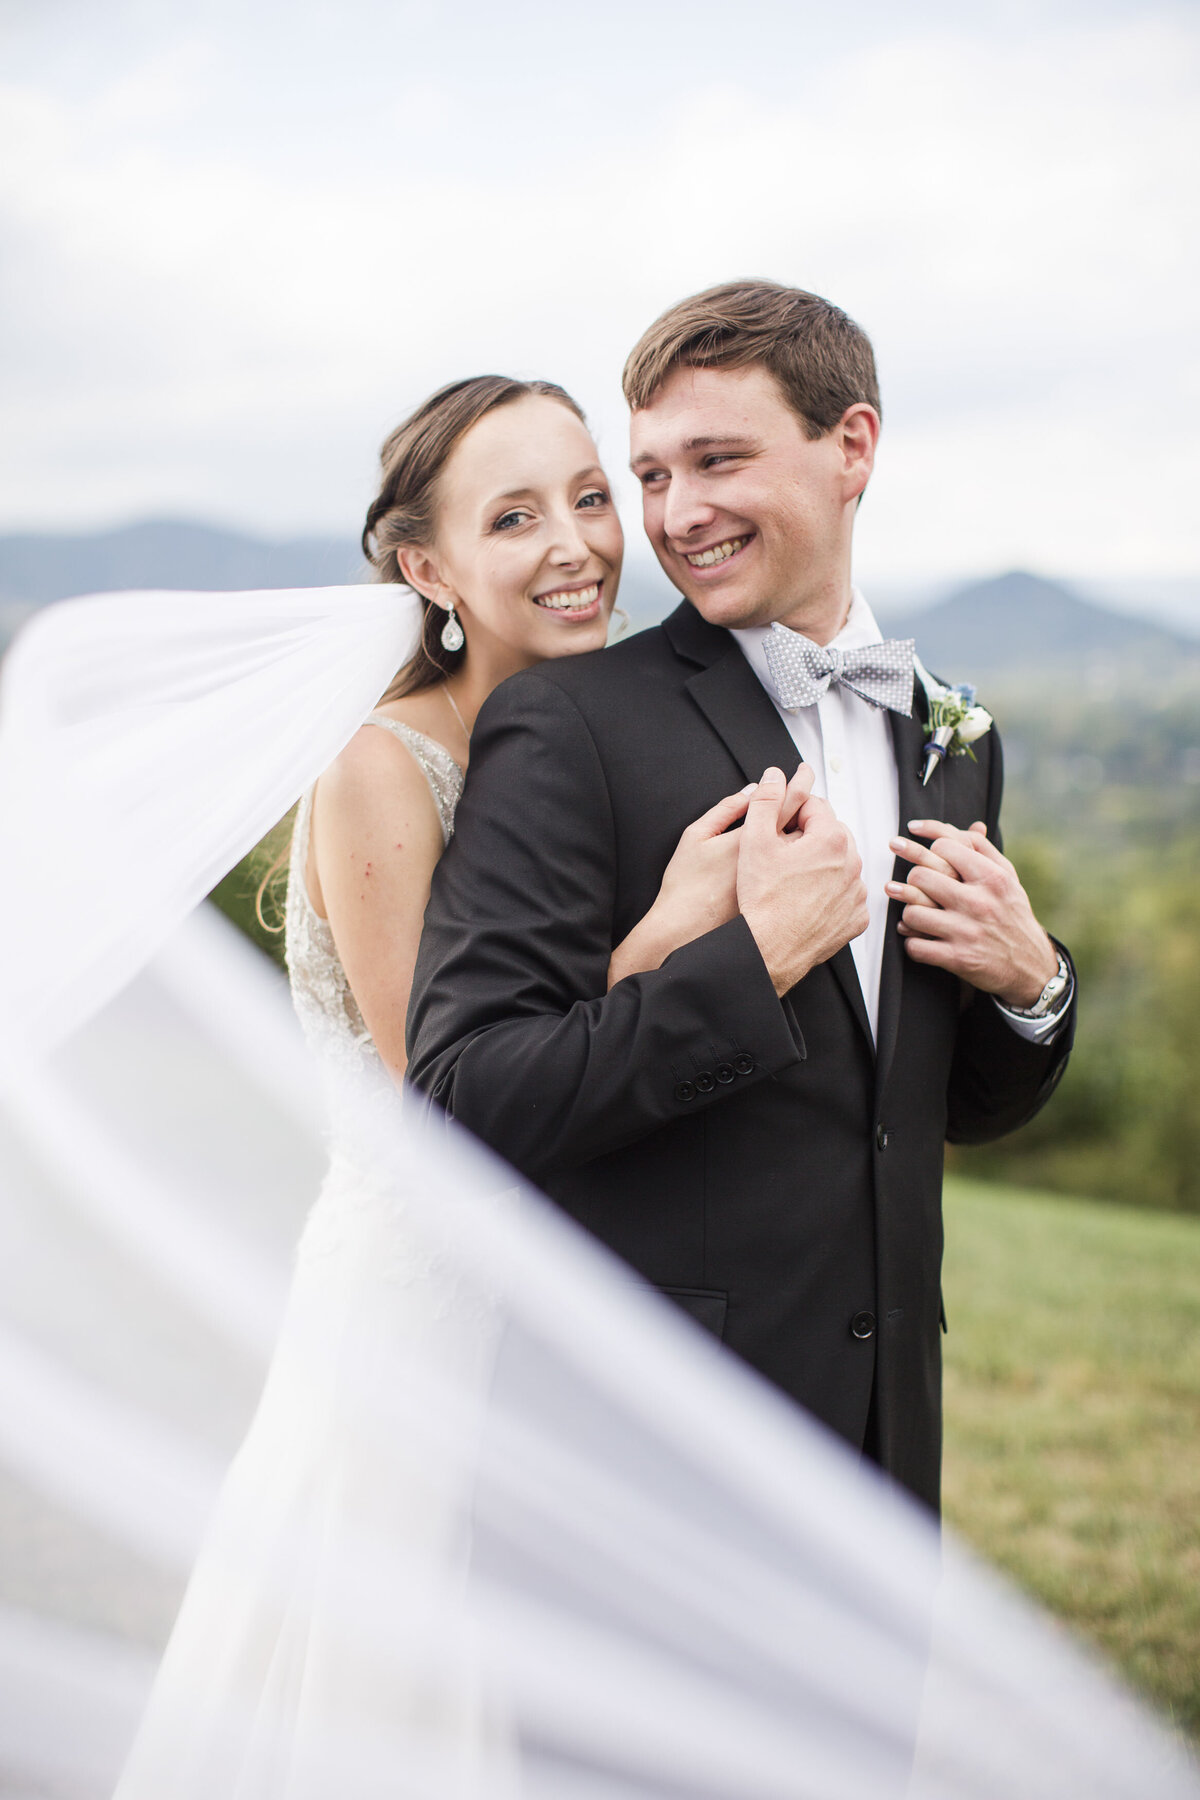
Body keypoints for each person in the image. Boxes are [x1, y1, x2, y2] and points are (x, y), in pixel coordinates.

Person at [406, 280, 1078, 1514]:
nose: (676, 514)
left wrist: (1035, 985)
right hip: (646, 1458)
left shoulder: (955, 736)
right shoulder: (571, 725)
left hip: (884, 1452)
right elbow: (463, 1099)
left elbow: (933, 1110)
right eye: (653, 475)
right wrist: (752, 959)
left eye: (717, 461)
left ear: (852, 447)